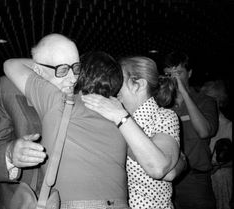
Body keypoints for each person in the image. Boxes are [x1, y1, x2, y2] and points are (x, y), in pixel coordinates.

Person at [4, 49, 130, 208]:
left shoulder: (58, 100)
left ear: (79, 74)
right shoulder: (122, 117)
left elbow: (11, 65)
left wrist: (60, 69)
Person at [0, 33, 76, 209]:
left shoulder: (82, 98)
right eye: (62, 70)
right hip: (22, 201)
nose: (73, 78)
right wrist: (9, 154)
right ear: (37, 70)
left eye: (76, 67)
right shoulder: (9, 91)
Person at [81, 56, 184, 209]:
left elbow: (158, 168)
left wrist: (120, 116)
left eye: (119, 79)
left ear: (139, 84)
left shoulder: (164, 117)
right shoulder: (111, 118)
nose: (112, 85)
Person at [163, 51, 219, 209]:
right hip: (168, 179)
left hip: (196, 181)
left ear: (190, 73)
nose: (173, 78)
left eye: (179, 73)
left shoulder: (205, 101)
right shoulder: (162, 104)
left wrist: (184, 93)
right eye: (169, 74)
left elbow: (205, 132)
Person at [200, 79, 232, 209]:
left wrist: (218, 166)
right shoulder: (202, 123)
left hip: (221, 178)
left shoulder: (228, 126)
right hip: (203, 177)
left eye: (210, 99)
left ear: (219, 101)